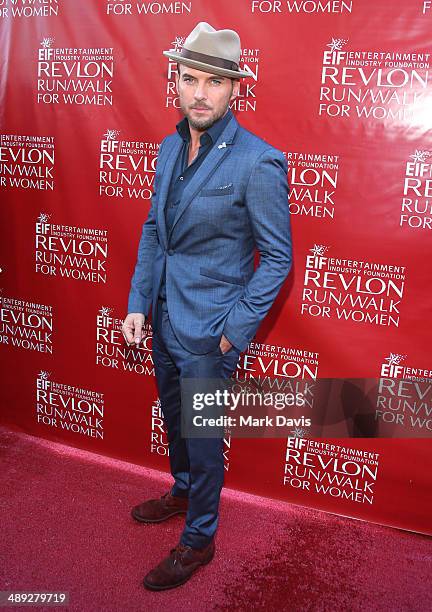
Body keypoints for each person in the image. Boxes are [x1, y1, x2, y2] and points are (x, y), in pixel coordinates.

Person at [122, 21, 292, 591]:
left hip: (211, 331)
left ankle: (199, 538)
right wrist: (138, 302)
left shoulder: (258, 162)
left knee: (203, 437)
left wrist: (233, 333)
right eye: (189, 79)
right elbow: (154, 231)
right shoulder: (169, 147)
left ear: (234, 89)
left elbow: (277, 260)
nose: (200, 93)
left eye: (214, 83)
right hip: (164, 321)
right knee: (175, 424)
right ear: (175, 82)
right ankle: (180, 490)